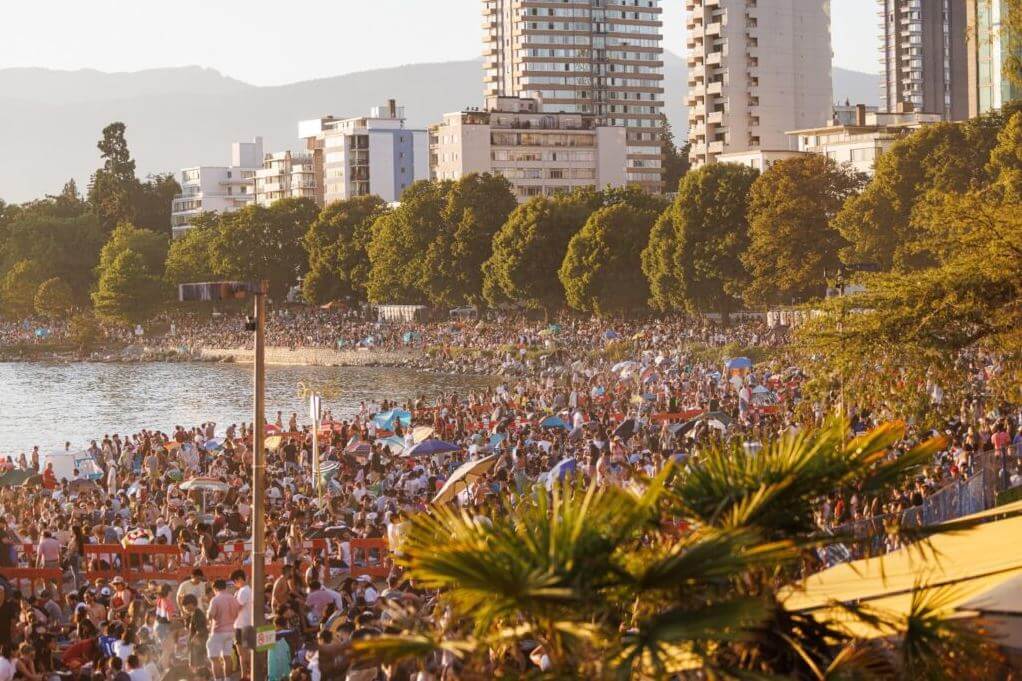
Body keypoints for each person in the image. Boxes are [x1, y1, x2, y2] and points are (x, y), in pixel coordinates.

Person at [206, 579, 241, 681]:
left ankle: (218, 679)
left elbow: (210, 615)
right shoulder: (233, 598)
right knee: (227, 657)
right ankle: (227, 679)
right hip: (230, 631)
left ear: (215, 588)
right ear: (225, 587)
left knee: (214, 658)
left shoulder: (215, 599)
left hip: (218, 631)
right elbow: (237, 613)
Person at [231, 569, 253, 681]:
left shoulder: (244, 591)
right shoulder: (245, 590)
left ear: (239, 579)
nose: (235, 584)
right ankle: (245, 675)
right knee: (244, 653)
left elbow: (236, 607)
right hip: (245, 624)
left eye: (235, 581)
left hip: (241, 626)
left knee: (243, 654)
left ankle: (247, 676)